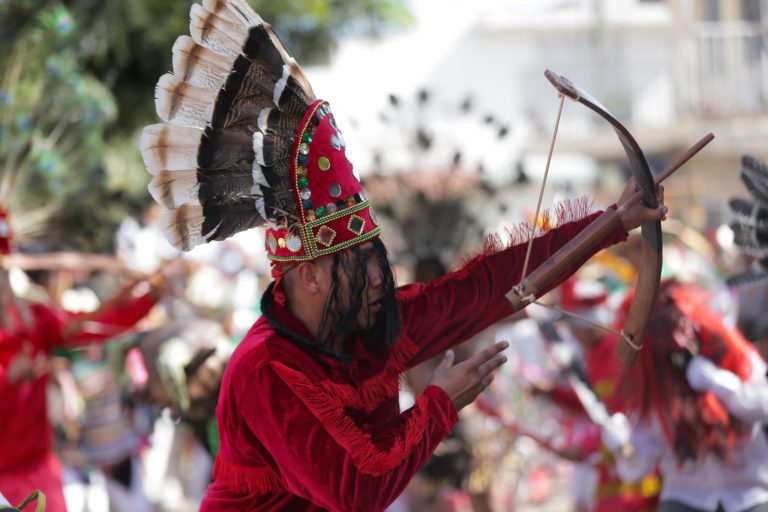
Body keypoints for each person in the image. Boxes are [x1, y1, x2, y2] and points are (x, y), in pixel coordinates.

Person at [139, 1, 667, 510]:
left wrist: (611, 222)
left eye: (376, 261)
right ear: (312, 276)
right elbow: (355, 488)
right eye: (359, 264)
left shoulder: (369, 328)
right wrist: (438, 406)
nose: (378, 280)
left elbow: (482, 291)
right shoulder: (266, 370)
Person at [0, 246, 165, 510]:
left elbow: (97, 326)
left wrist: (150, 298)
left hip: (39, 473)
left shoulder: (34, 319)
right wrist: (10, 379)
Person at [602, 279, 768, 512]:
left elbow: (763, 405)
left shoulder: (735, 354)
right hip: (687, 498)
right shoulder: (651, 388)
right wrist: (622, 445)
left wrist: (719, 383)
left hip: (751, 493)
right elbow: (639, 466)